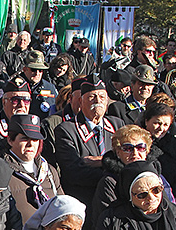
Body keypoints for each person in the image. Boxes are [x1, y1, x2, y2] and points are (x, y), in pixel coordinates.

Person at [50, 79, 123, 211]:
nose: (98, 100)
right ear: (80, 101)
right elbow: (74, 172)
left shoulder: (118, 125)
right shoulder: (66, 129)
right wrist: (115, 170)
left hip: (116, 201)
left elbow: (129, 161)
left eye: (102, 96)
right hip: (84, 204)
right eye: (91, 97)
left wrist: (103, 161)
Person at [0, 114, 63, 222]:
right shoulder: (0, 172)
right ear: (10, 140)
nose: (31, 144)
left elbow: (62, 206)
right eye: (24, 138)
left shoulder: (49, 171)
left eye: (35, 140)